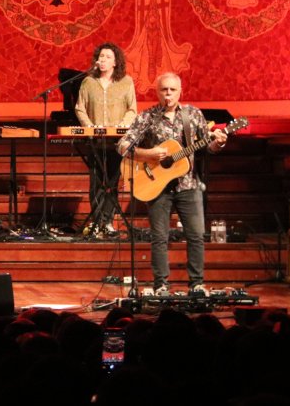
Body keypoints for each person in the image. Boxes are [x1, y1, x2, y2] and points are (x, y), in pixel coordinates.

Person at [117, 73, 227, 295]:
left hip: (189, 186)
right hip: (158, 188)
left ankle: (196, 284)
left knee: (196, 236)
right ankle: (161, 286)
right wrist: (149, 154)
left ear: (180, 91)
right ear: (157, 92)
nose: (168, 94)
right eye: (164, 90)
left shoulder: (192, 114)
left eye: (172, 90)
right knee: (160, 238)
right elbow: (122, 146)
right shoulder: (147, 117)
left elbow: (207, 146)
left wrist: (218, 143)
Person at [74, 42, 137, 236]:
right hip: (95, 142)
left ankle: (107, 222)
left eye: (108, 57)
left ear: (116, 62)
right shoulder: (88, 82)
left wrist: (121, 126)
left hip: (116, 142)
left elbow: (132, 110)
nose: (103, 60)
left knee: (111, 182)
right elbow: (80, 108)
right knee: (96, 182)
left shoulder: (126, 82)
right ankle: (96, 222)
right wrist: (88, 127)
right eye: (100, 56)